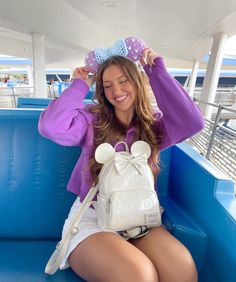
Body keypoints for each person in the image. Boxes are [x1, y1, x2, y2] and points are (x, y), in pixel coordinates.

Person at [38, 39, 204, 282]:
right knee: (139, 275)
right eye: (107, 85)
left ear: (136, 82)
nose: (116, 91)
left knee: (182, 268)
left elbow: (192, 122)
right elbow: (51, 126)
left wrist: (156, 72)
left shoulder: (154, 125)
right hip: (93, 218)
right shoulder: (90, 120)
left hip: (139, 215)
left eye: (123, 81)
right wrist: (79, 84)